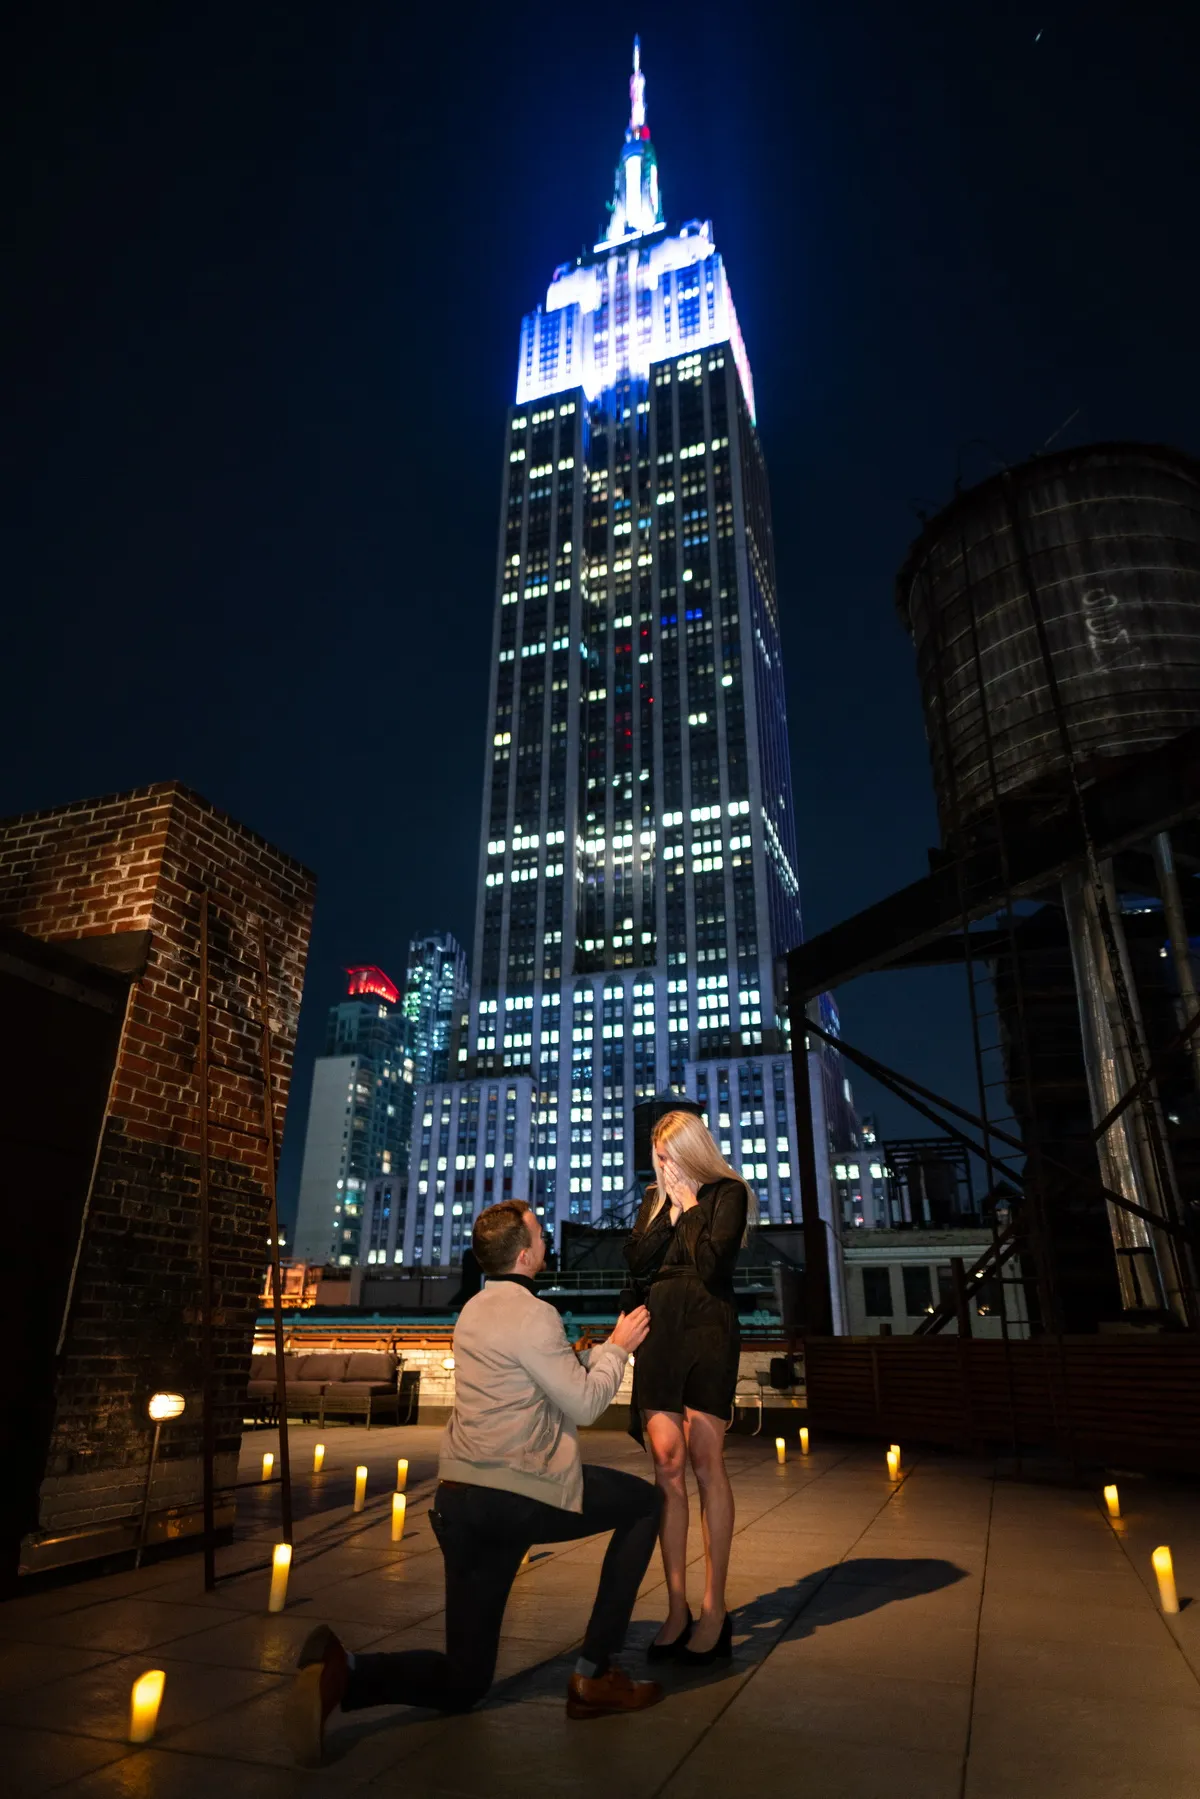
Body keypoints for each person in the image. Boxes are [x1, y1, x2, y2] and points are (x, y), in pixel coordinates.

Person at [290, 1199, 663, 1766]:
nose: (546, 1242)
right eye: (539, 1235)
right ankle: (596, 1673)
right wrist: (618, 1348)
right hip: (518, 1497)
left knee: (466, 1681)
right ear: (522, 1254)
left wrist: (581, 1359)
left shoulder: (472, 1312)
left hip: (460, 1503)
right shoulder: (534, 1313)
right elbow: (586, 1405)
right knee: (643, 1504)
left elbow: (537, 1384)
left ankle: (347, 1672)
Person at [623, 1109, 754, 1665]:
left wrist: (692, 1207)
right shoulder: (653, 1203)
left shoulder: (728, 1193)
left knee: (706, 1461)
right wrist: (667, 1209)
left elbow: (713, 1264)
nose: (663, 1166)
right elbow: (635, 1263)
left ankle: (714, 1608)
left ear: (693, 1150)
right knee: (666, 1463)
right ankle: (675, 1607)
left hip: (707, 1329)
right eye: (657, 1157)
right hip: (659, 1330)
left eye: (670, 1154)